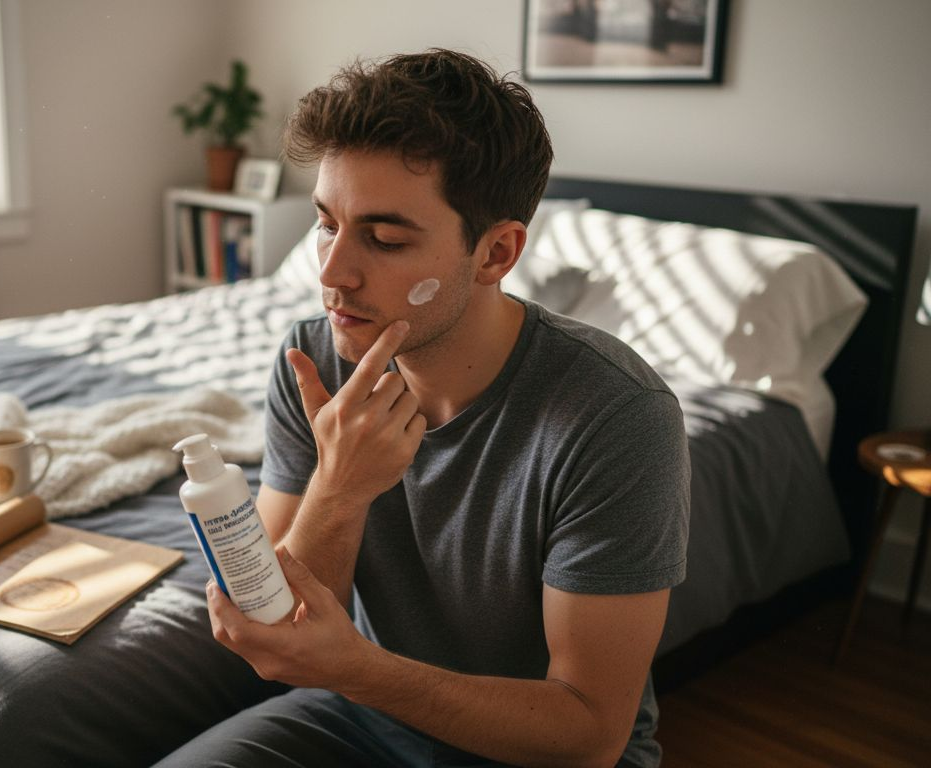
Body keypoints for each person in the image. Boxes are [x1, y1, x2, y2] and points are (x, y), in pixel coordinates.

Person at [158, 48, 689, 767]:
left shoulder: (616, 416)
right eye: (326, 223)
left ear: (496, 253)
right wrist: (340, 486)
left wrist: (355, 668)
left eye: (382, 238)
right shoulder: (312, 361)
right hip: (359, 718)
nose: (332, 273)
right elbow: (281, 633)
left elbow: (589, 733)